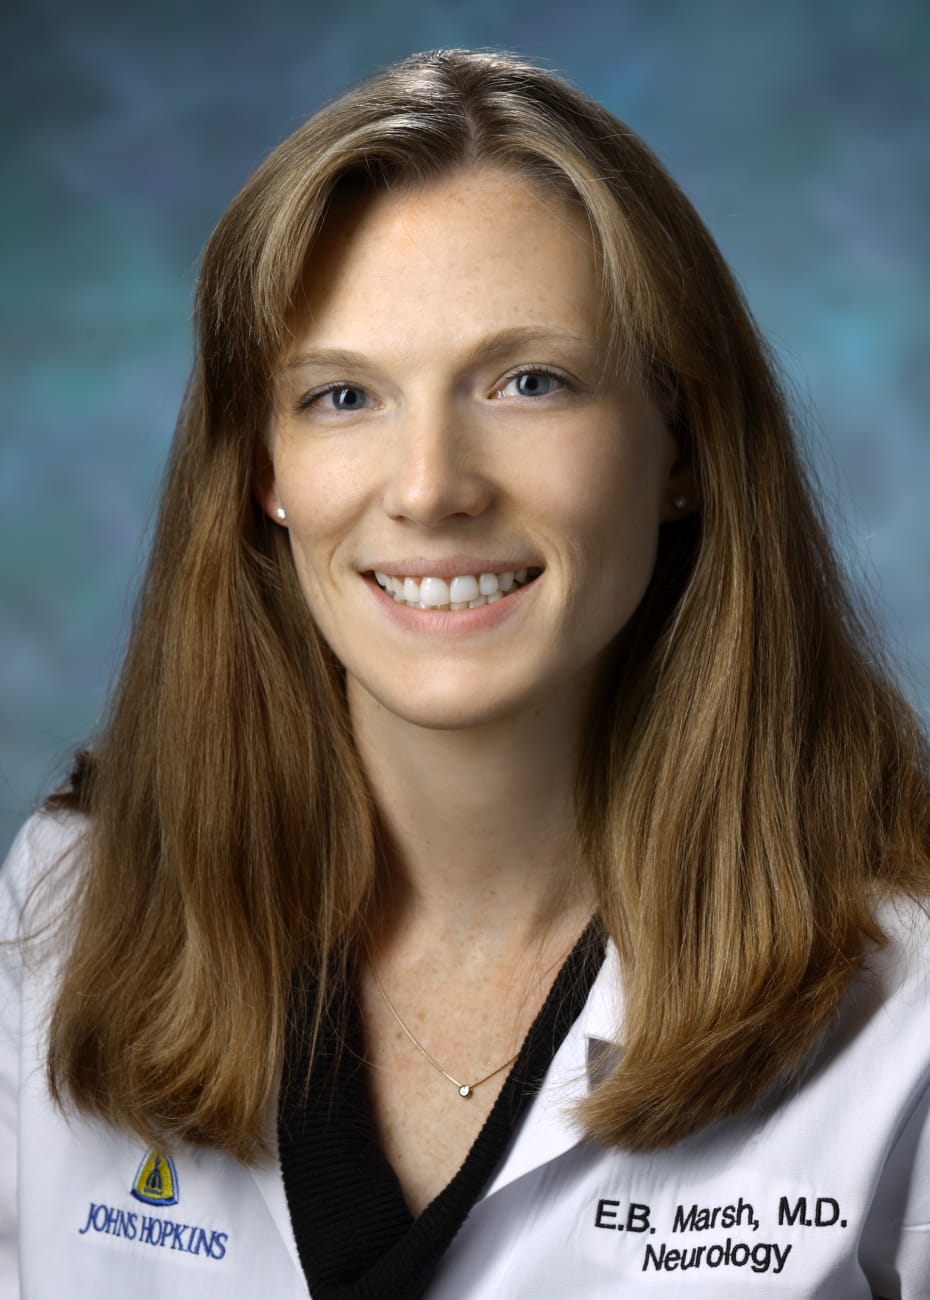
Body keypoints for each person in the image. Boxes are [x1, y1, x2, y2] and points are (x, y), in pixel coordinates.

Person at [1, 47, 929, 1300]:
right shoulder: (68, 901)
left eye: (529, 381)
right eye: (343, 395)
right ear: (261, 472)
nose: (432, 486)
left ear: (683, 447)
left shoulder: (906, 993)